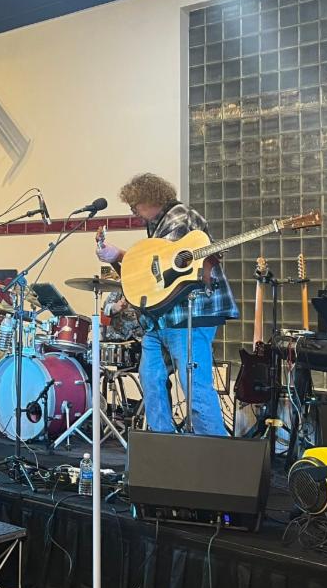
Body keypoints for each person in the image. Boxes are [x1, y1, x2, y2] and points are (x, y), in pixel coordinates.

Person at [96, 173, 237, 435]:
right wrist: (116, 257)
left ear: (151, 199)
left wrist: (120, 255)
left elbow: (165, 265)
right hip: (160, 319)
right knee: (151, 380)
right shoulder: (158, 225)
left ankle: (215, 452)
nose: (133, 211)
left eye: (135, 204)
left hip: (189, 316)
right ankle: (162, 447)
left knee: (195, 389)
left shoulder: (180, 217)